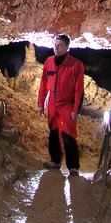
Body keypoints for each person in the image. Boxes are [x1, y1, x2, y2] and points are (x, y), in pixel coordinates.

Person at [37, 34, 85, 176]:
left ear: (67, 47)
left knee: (68, 135)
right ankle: (55, 161)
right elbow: (43, 85)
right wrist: (41, 104)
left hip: (67, 104)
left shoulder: (76, 65)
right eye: (55, 45)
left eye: (60, 45)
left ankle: (73, 167)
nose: (56, 48)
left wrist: (75, 110)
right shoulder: (49, 62)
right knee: (53, 132)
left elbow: (79, 91)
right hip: (52, 102)